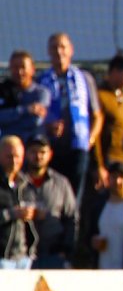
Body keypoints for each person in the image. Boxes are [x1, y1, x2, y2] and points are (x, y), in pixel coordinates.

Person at [37, 32, 103, 203]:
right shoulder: (41, 80)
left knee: (75, 198)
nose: (59, 51)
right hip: (52, 146)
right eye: (54, 47)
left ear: (71, 50)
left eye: (63, 47)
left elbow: (96, 115)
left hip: (78, 147)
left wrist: (90, 138)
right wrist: (48, 125)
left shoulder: (84, 79)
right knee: (53, 195)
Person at [22, 135, 77, 269]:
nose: (38, 156)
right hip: (22, 256)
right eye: (33, 151)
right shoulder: (17, 183)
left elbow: (72, 218)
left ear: (50, 154)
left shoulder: (61, 183)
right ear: (26, 153)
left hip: (55, 254)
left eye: (42, 152)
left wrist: (66, 250)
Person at [94, 52, 123, 189]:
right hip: (109, 160)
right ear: (115, 72)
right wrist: (99, 165)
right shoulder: (99, 96)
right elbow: (96, 135)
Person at [0, 136, 38, 269]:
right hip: (3, 259)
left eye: (17, 156)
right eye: (9, 156)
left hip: (24, 258)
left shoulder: (26, 184)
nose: (14, 161)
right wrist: (11, 214)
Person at [0, 49, 50, 141]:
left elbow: (35, 121)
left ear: (32, 69)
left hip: (32, 146)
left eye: (23, 67)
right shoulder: (3, 91)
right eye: (15, 67)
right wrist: (26, 110)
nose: (19, 72)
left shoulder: (41, 93)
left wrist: (10, 119)